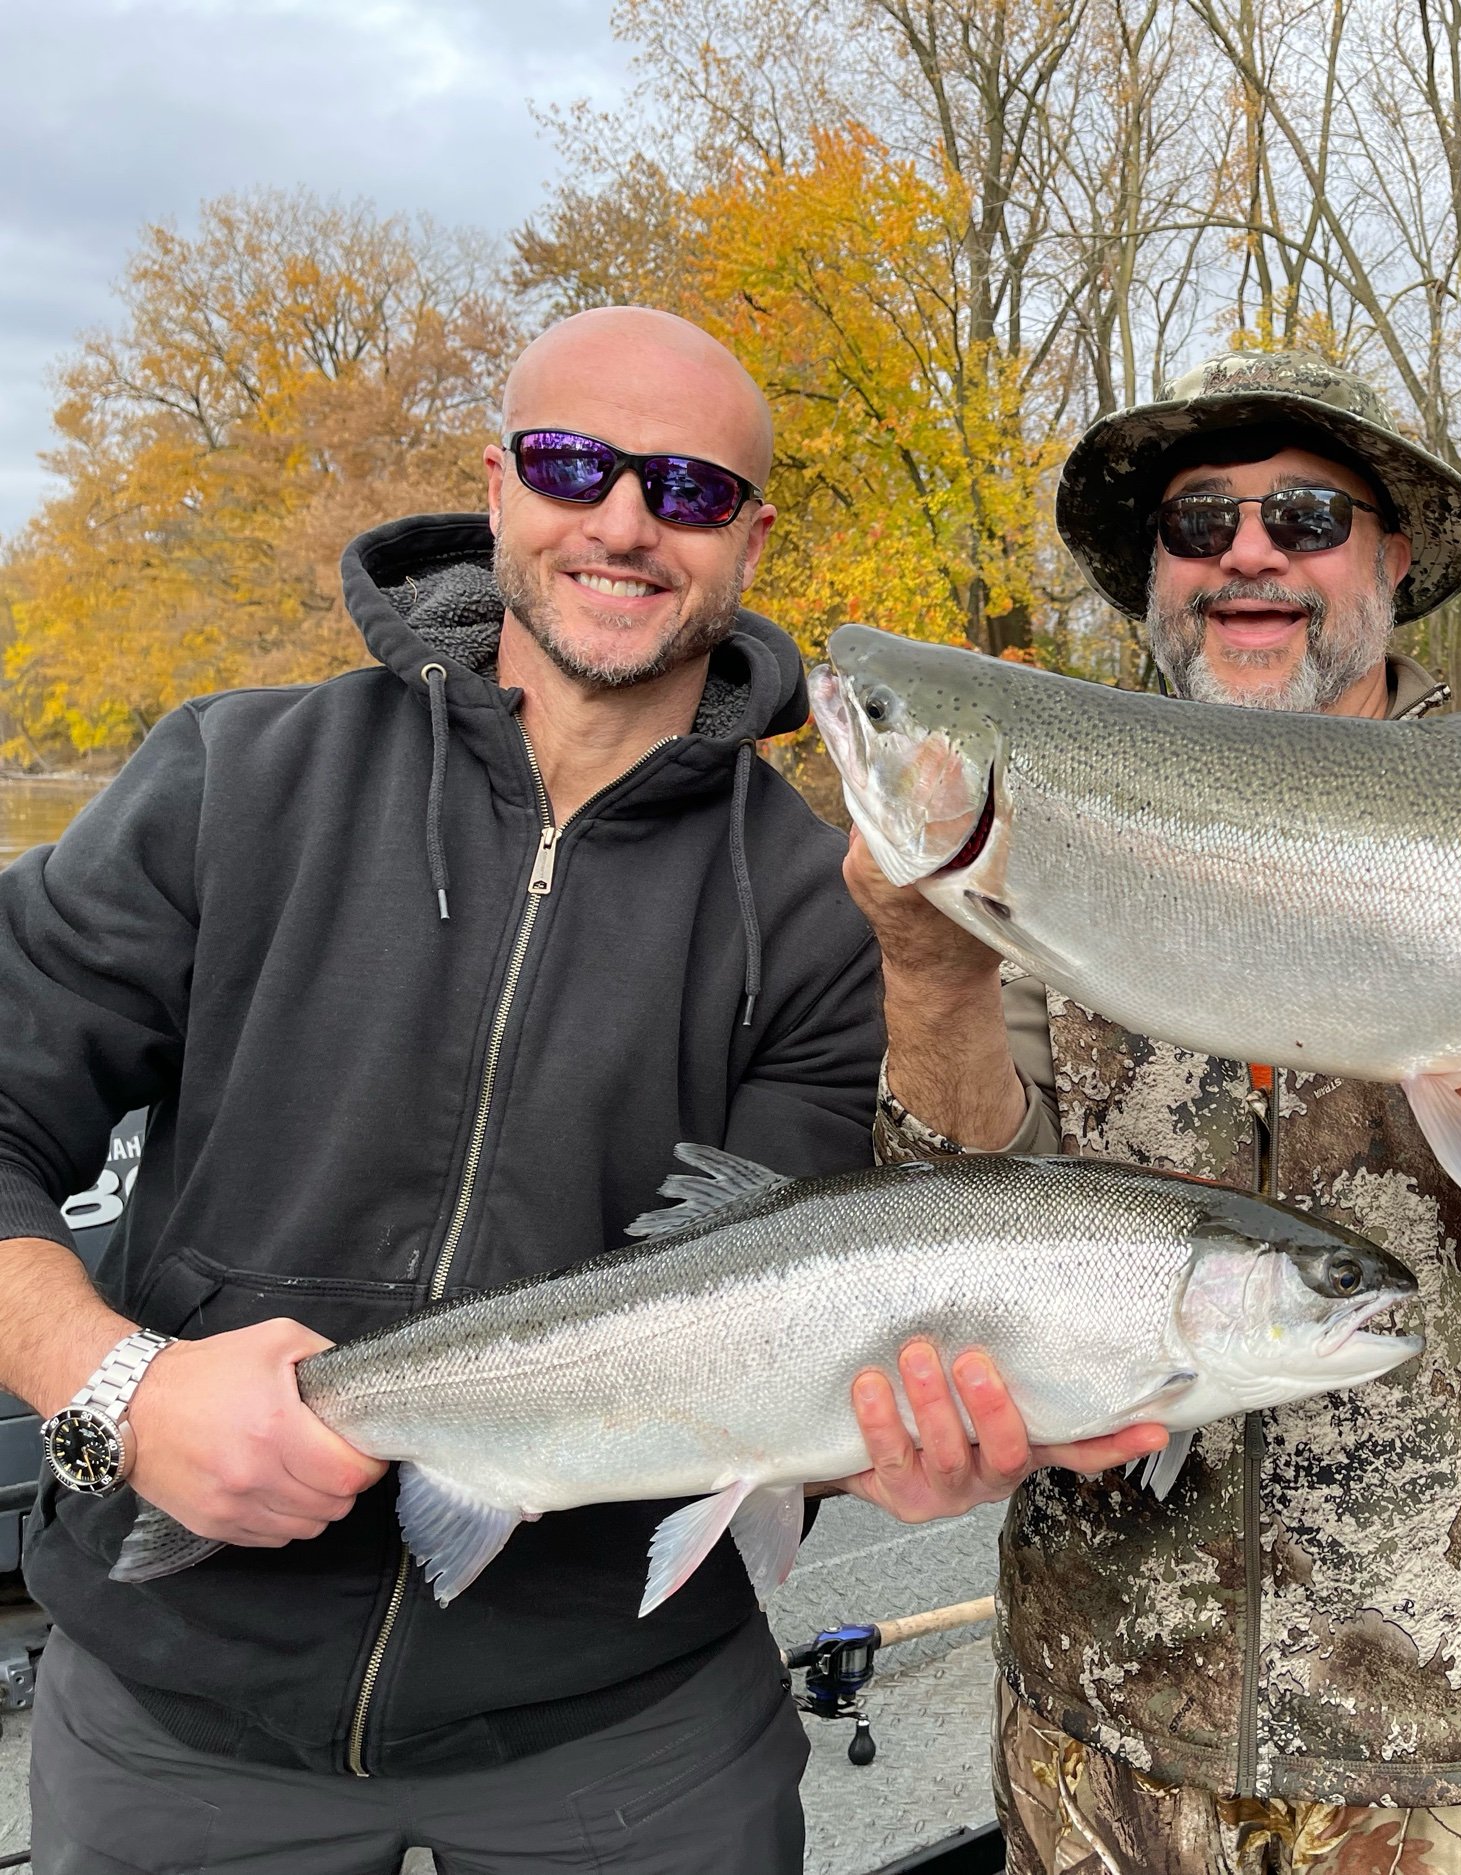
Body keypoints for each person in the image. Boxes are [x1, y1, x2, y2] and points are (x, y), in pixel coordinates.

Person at [0, 306, 1159, 1875]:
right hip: (175, 1714)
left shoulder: (826, 909)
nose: (623, 520)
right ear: (496, 487)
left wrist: (914, 1416)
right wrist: (115, 1393)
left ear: (748, 536)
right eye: (572, 465)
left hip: (630, 1733)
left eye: (685, 491)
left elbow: (789, 1295)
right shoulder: (232, 778)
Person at [845, 349, 1461, 1875]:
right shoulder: (1041, 822)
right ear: (1159, 577)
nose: (1249, 549)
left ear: (1391, 557)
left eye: (1306, 513)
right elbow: (948, 1201)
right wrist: (931, 978)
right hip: (1104, 1706)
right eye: (1199, 521)